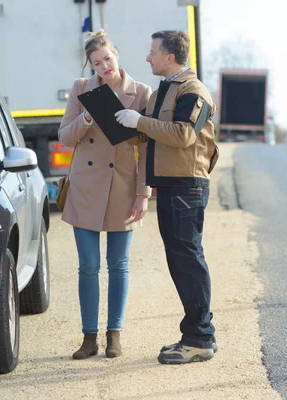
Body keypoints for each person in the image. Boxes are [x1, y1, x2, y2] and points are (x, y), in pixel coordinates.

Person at [115, 30, 219, 364]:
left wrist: (141, 121)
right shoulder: (165, 91)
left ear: (170, 56)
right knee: (180, 261)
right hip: (171, 187)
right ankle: (195, 335)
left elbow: (184, 135)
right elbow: (151, 137)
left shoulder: (193, 91)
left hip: (187, 188)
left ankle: (200, 338)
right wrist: (121, 125)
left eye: (152, 52)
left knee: (188, 261)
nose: (148, 58)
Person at [58, 29, 152, 359]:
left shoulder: (141, 92)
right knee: (88, 265)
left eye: (107, 59)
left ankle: (115, 334)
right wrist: (85, 117)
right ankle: (88, 337)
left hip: (123, 188)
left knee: (118, 265)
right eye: (97, 63)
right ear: (91, 66)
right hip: (85, 188)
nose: (104, 67)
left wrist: (143, 193)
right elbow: (65, 136)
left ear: (116, 55)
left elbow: (146, 150)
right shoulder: (81, 89)